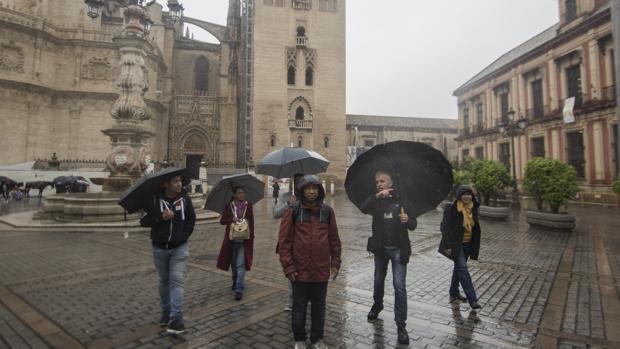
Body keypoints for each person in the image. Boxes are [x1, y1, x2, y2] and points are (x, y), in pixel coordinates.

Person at [278, 175, 341, 349]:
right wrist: (288, 266)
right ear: (302, 190)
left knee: (319, 307)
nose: (311, 191)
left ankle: (317, 338)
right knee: (299, 307)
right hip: (299, 270)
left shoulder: (327, 211)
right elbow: (284, 242)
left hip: (320, 269)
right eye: (308, 188)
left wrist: (335, 263)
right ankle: (299, 338)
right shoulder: (293, 210)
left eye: (315, 188)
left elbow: (334, 239)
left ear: (319, 190)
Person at [360, 170, 417, 345]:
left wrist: (407, 220)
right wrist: (377, 196)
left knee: (399, 286)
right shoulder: (376, 201)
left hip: (399, 249)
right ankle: (377, 305)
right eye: (377, 182)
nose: (379, 184)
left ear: (390, 183)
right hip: (380, 249)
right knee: (378, 280)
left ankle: (401, 325)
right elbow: (363, 208)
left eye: (382, 181)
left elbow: (413, 224)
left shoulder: (402, 200)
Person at [140, 174, 196, 334]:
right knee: (164, 282)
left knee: (177, 281)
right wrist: (161, 217)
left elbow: (191, 219)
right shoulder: (154, 200)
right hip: (159, 248)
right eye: (175, 182)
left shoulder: (185, 199)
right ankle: (166, 313)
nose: (179, 185)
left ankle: (176, 319)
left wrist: (184, 236)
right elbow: (144, 221)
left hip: (179, 247)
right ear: (166, 184)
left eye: (180, 181)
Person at [439, 185, 482, 310]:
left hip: (469, 244)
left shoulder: (473, 207)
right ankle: (472, 299)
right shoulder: (452, 209)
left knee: (458, 268)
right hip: (456, 245)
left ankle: (454, 292)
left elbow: (475, 228)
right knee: (463, 269)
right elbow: (444, 228)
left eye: (469, 194)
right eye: (464, 194)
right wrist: (448, 246)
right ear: (459, 196)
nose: (467, 196)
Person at [217, 187, 255, 301]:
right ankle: (235, 281)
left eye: (243, 192)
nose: (242, 195)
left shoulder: (248, 205)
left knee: (240, 264)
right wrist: (231, 219)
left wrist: (252, 236)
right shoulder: (229, 206)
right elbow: (222, 221)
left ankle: (239, 289)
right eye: (239, 193)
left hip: (245, 240)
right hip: (231, 240)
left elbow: (252, 221)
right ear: (234, 194)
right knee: (233, 264)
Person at [274, 173, 305, 311]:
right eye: (297, 181)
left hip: (304, 241)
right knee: (291, 270)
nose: (299, 184)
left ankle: (304, 298)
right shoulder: (285, 196)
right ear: (292, 182)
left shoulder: (309, 197)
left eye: (301, 181)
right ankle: (291, 301)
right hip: (290, 240)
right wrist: (288, 204)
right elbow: (276, 214)